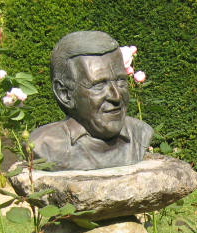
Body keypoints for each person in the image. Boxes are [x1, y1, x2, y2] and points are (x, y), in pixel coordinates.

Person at [30, 31, 153, 171]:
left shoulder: (140, 133)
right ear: (65, 94)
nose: (116, 96)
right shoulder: (46, 145)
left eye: (120, 81)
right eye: (99, 85)